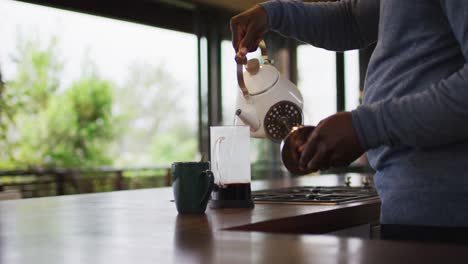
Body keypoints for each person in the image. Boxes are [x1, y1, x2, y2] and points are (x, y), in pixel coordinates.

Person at [231, 0, 468, 230]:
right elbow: (353, 20)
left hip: (448, 212)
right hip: (413, 205)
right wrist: (273, 14)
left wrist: (365, 127)